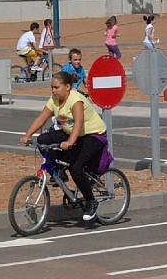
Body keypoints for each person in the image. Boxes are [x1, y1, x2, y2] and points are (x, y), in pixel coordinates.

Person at [19, 71, 107, 221]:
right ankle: (60, 172)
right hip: (72, 133)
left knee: (76, 168)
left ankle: (91, 201)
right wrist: (28, 135)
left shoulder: (76, 99)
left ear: (67, 87)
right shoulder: (54, 99)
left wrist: (70, 142)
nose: (53, 90)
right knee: (42, 140)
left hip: (93, 134)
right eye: (52, 87)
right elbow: (41, 119)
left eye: (56, 87)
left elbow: (78, 122)